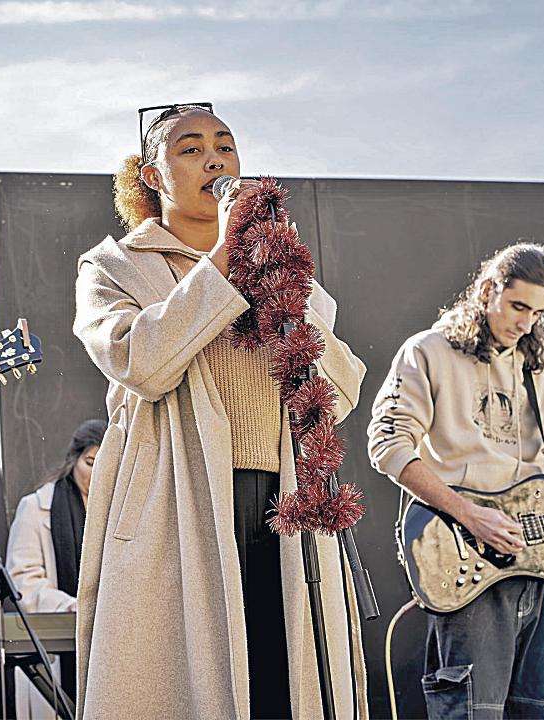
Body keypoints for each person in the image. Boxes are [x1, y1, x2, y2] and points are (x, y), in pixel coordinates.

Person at [72, 103, 368, 720]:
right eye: (191, 148)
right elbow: (140, 361)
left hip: (285, 495)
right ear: (152, 176)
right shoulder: (114, 266)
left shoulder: (277, 265)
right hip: (177, 500)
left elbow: (338, 394)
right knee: (191, 686)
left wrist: (280, 282)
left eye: (225, 146)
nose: (215, 159)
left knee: (282, 682)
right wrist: (226, 258)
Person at [367, 243, 544, 719]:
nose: (526, 323)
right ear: (486, 291)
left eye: (538, 313)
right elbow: (388, 445)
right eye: (518, 306)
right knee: (472, 710)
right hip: (468, 560)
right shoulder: (428, 351)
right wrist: (470, 515)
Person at [6, 418, 106, 720]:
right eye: (90, 463)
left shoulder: (119, 512)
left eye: (105, 465)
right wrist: (73, 606)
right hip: (57, 647)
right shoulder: (36, 507)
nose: (96, 473)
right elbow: (23, 583)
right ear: (74, 459)